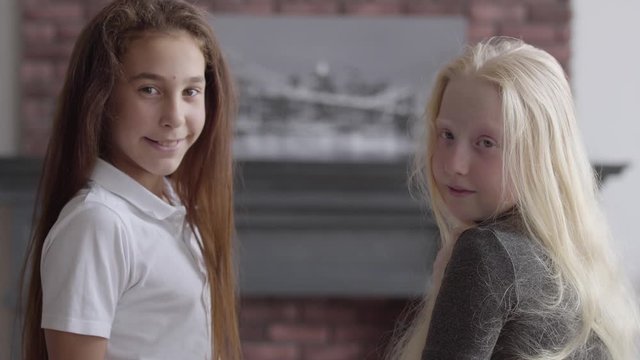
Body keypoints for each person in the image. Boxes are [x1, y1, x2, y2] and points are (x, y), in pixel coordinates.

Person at [388, 37, 639, 359]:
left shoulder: (486, 251)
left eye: (486, 143)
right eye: (447, 135)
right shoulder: (575, 263)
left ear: (539, 154)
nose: (454, 164)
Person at [20, 0, 241, 358]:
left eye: (190, 92)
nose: (175, 117)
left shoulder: (177, 207)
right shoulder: (99, 223)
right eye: (149, 90)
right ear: (101, 98)